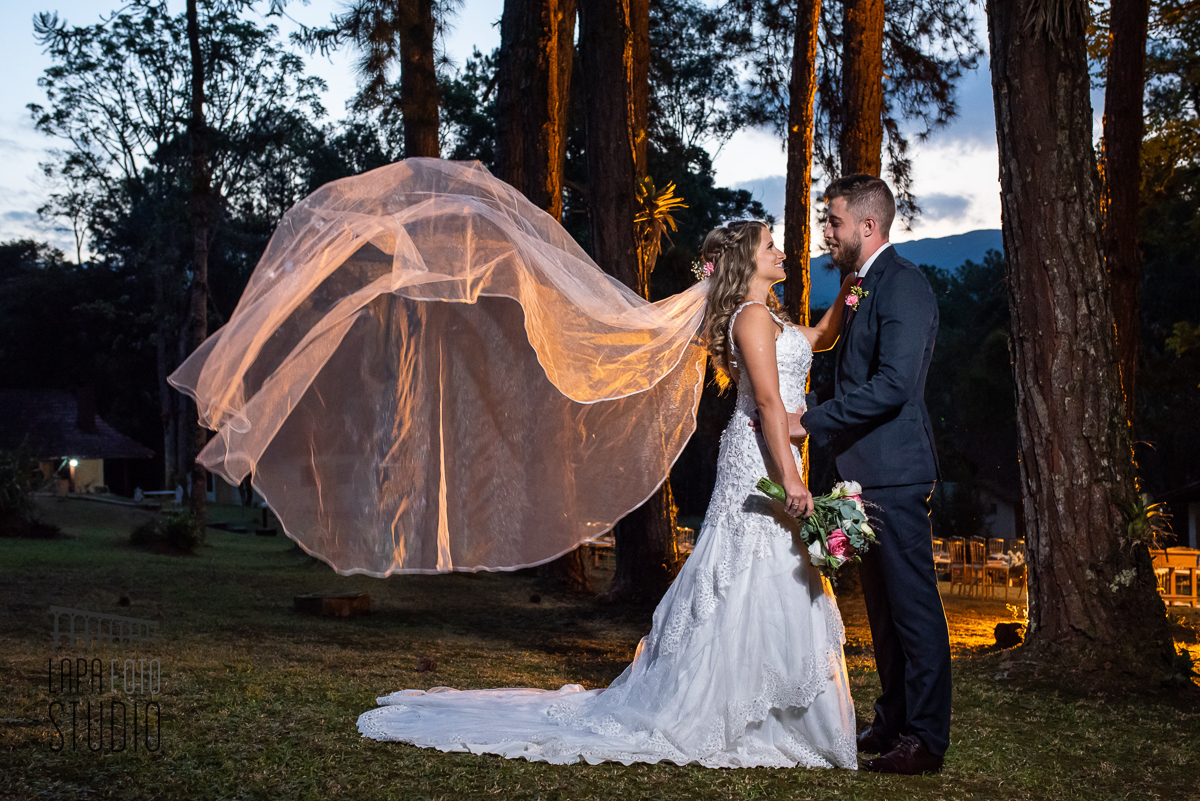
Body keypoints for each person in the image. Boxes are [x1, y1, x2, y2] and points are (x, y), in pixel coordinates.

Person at [356, 219, 862, 769]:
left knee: (772, 572)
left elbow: (818, 340)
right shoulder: (751, 318)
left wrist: (850, 292)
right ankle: (734, 710)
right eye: (771, 246)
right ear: (747, 261)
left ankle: (775, 710)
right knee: (744, 571)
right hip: (761, 460)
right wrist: (791, 479)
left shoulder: (774, 320)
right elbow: (767, 403)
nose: (782, 252)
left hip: (773, 451)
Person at [781, 175, 949, 775]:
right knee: (881, 612)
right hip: (862, 472)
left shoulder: (905, 286)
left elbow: (893, 386)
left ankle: (925, 740)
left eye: (834, 221)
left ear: (868, 227)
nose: (827, 230)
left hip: (895, 473)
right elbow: (841, 362)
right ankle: (894, 720)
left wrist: (812, 422)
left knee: (913, 609)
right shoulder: (859, 288)